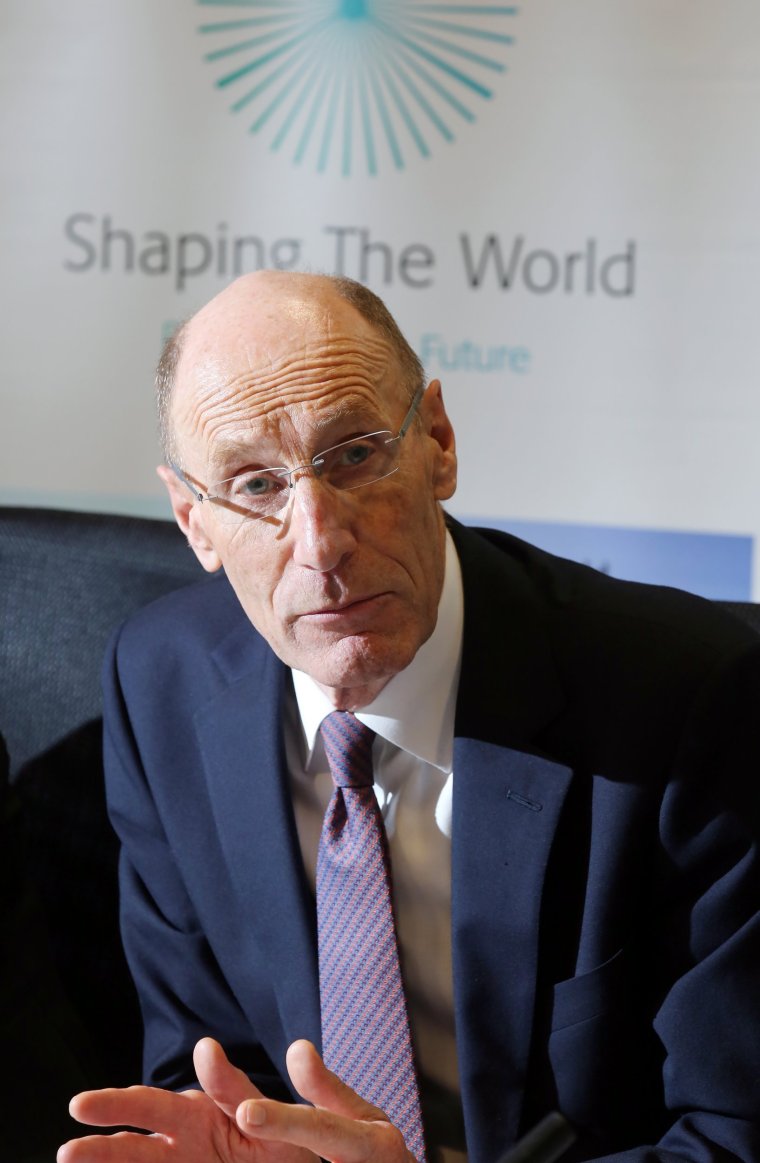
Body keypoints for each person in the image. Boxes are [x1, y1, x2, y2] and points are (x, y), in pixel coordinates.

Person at [59, 271, 760, 1163]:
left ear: (437, 441)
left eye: (353, 454)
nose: (321, 544)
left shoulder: (687, 700)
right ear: (194, 518)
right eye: (255, 484)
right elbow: (201, 1056)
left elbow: (732, 1134)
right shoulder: (158, 682)